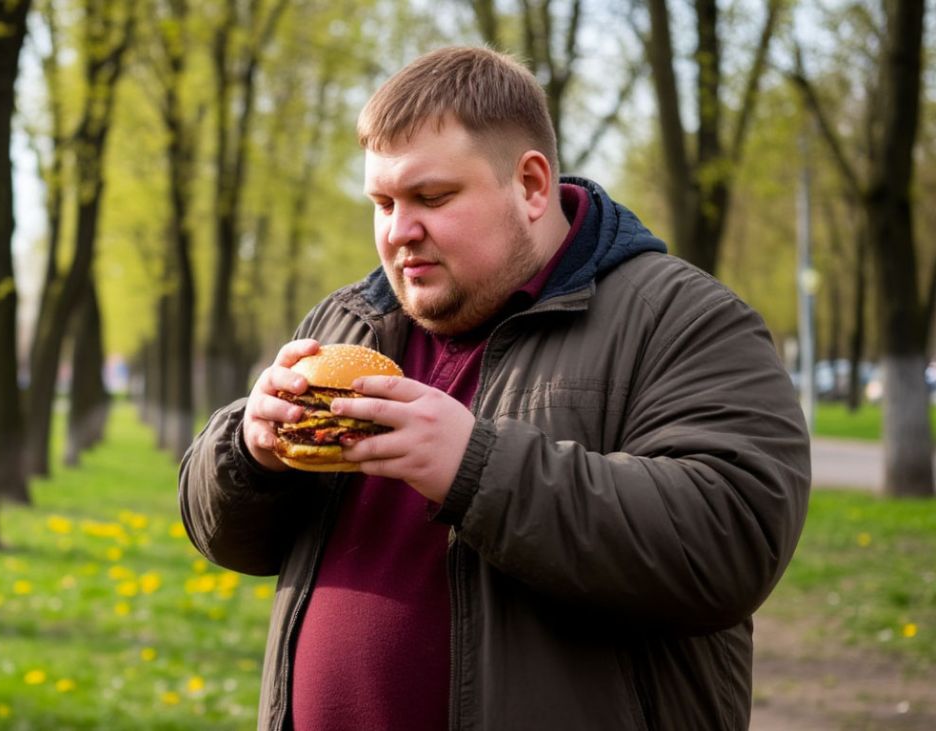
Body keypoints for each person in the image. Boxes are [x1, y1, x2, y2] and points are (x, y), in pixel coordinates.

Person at [179, 46, 810, 730]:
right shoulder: (347, 322)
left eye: (432, 198)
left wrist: (474, 468)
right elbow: (230, 540)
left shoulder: (683, 319)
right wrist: (249, 454)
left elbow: (730, 541)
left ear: (532, 185)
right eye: (383, 203)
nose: (398, 232)